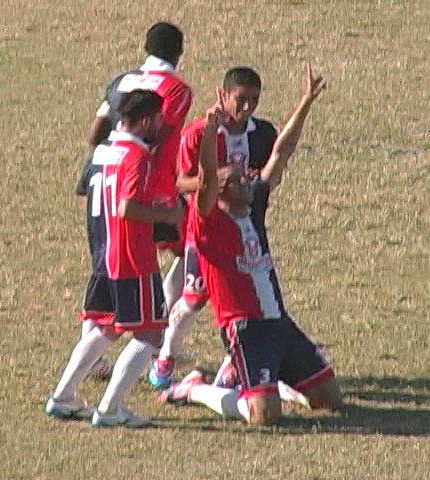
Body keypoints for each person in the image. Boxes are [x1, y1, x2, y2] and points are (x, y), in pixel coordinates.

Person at [159, 64, 343, 426]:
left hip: (279, 323)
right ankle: (192, 388)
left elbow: (281, 153)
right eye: (239, 179)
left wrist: (305, 102)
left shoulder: (255, 204)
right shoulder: (209, 221)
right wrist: (212, 130)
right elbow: (207, 177)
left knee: (330, 400)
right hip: (245, 328)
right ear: (222, 192)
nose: (249, 177)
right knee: (264, 418)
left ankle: (278, 380)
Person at [45, 90, 183, 427]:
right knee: (150, 335)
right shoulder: (136, 156)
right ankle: (110, 409)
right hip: (132, 258)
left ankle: (63, 397)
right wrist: (166, 215)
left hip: (103, 254)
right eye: (159, 118)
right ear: (147, 119)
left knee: (106, 327)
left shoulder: (103, 151)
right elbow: (128, 207)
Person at [148, 66, 279, 389]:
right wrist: (213, 181)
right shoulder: (199, 133)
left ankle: (234, 365)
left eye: (254, 100)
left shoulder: (262, 133)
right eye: (241, 99)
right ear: (223, 95)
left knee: (250, 303)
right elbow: (179, 182)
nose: (247, 107)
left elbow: (269, 173)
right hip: (205, 231)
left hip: (247, 231)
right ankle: (165, 355)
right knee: (193, 299)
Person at [84, 21, 193, 352]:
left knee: (103, 265)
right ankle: (158, 336)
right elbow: (158, 138)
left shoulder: (120, 80)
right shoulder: (177, 89)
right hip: (147, 184)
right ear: (179, 52)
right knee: (190, 250)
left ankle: (91, 351)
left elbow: (94, 132)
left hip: (101, 177)